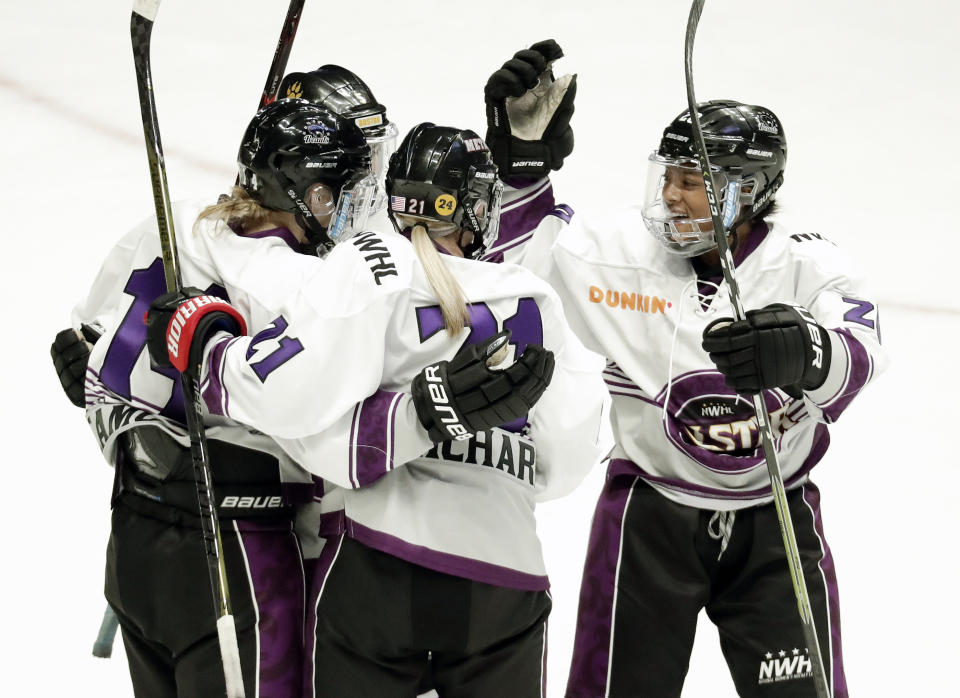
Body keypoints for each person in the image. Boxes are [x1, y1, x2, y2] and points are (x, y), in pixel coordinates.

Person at [146, 123, 614, 697]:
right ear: (476, 208)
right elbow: (567, 455)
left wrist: (205, 350)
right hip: (504, 576)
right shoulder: (533, 297)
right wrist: (486, 466)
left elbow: (290, 399)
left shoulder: (366, 264)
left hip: (373, 569)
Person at [480, 43, 888, 698]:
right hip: (650, 518)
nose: (670, 197)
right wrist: (523, 170)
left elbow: (863, 349)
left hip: (773, 522)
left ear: (747, 190)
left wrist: (805, 350)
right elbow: (508, 273)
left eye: (691, 182)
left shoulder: (806, 267)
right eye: (667, 176)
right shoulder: (619, 255)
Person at [76, 100, 383, 697]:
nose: (348, 207)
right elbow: (321, 433)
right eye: (337, 192)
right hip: (237, 550)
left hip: (133, 538)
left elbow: (87, 336)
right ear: (307, 192)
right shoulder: (299, 284)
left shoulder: (178, 220)